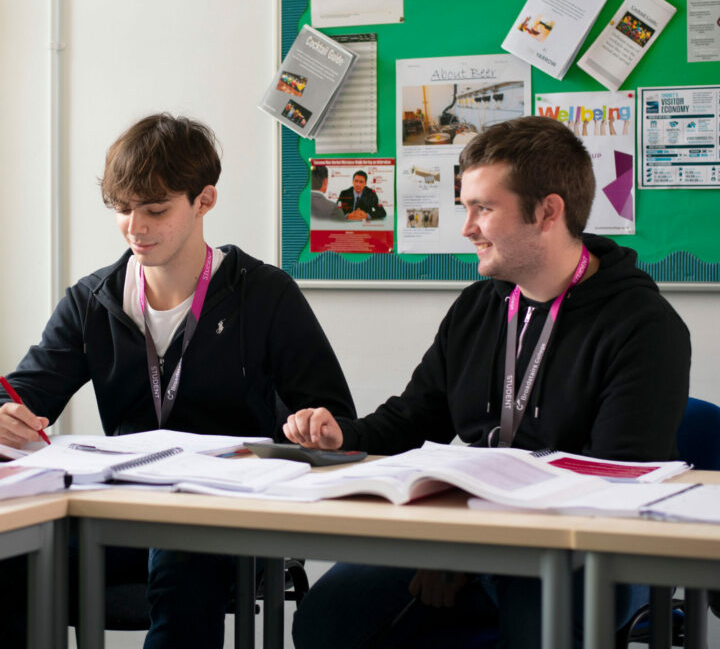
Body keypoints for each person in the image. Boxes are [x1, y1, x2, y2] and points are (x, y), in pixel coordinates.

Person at [283, 115, 691, 649]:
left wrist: (462, 547)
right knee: (327, 617)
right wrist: (343, 435)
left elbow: (608, 485)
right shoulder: (480, 305)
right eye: (465, 207)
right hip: (476, 536)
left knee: (534, 610)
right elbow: (413, 418)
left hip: (581, 550)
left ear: (548, 212)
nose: (467, 227)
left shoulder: (644, 327)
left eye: (484, 208)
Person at [0, 113, 356, 649]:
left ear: (204, 201)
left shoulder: (264, 294)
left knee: (181, 548)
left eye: (156, 210)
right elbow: (23, 394)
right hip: (121, 512)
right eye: (123, 210)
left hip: (231, 517)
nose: (135, 227)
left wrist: (319, 429)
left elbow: (337, 419)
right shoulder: (91, 301)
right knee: (12, 548)